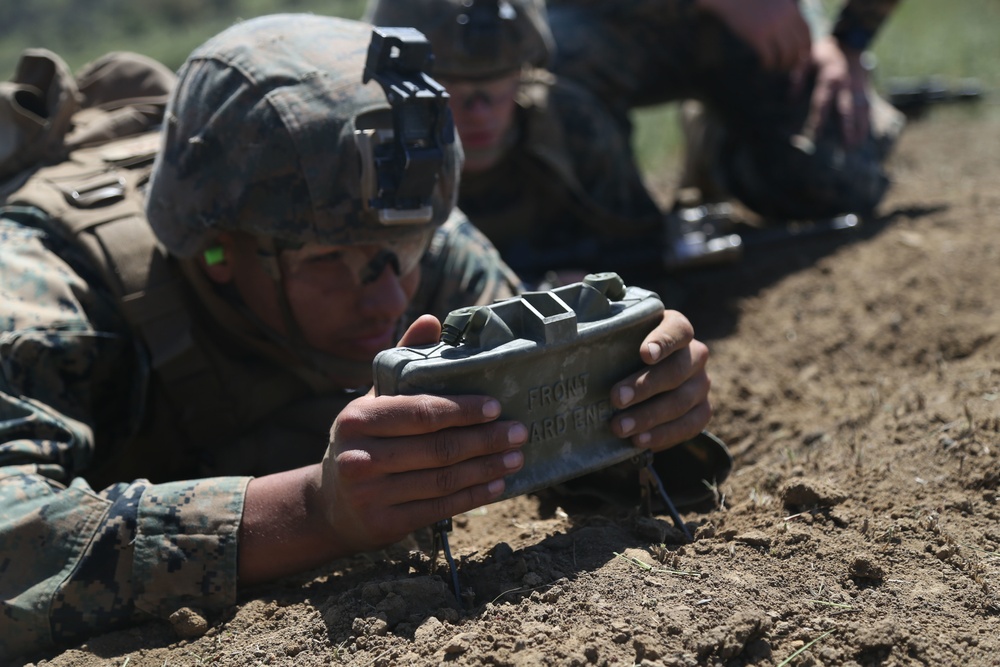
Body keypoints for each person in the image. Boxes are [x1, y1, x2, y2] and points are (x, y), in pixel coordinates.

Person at [0, 13, 713, 659]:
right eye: (326, 265)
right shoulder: (44, 282)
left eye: (401, 254)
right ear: (218, 253)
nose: (389, 295)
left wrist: (634, 405)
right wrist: (312, 511)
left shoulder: (401, 228)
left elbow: (546, 408)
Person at [363, 0, 742, 288]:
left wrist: (595, 289)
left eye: (495, 90)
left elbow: (642, 244)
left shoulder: (569, 126)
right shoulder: (372, 159)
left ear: (523, 75)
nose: (479, 114)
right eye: (451, 93)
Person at [545, 0, 908, 224]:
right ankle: (616, 223)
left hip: (769, 27)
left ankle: (715, 141)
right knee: (551, 56)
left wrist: (849, 41)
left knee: (836, 182)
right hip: (619, 25)